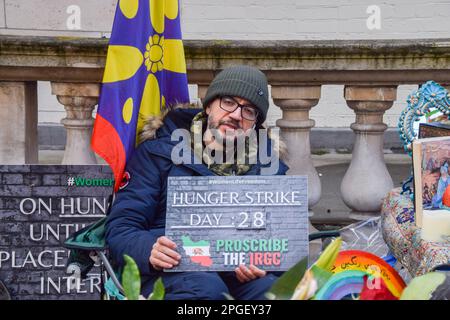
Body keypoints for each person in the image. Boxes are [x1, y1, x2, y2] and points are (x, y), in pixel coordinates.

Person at [105, 65, 289, 299]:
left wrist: (265, 263)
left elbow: (284, 242)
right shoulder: (158, 153)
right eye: (228, 102)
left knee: (275, 293)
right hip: (172, 272)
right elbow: (121, 227)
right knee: (206, 290)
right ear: (209, 104)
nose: (236, 115)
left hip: (236, 276)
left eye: (249, 111)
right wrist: (150, 249)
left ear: (255, 124)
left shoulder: (270, 170)